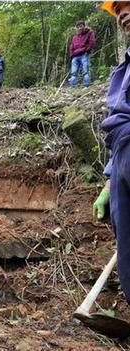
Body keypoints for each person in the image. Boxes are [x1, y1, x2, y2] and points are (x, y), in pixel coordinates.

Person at [97, 0, 130, 319]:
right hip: (123, 155)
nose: (122, 13)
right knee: (128, 251)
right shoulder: (125, 67)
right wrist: (110, 178)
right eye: (118, 8)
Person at [69, 20, 96, 88]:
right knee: (73, 72)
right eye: (78, 27)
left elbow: (92, 42)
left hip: (84, 54)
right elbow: (71, 46)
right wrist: (72, 55)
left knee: (85, 71)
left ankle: (86, 86)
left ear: (84, 26)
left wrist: (87, 50)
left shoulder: (89, 32)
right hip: (75, 56)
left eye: (81, 26)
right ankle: (72, 86)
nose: (79, 28)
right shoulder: (75, 37)